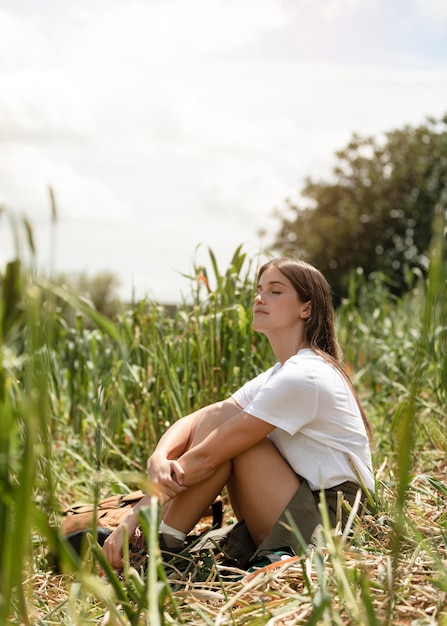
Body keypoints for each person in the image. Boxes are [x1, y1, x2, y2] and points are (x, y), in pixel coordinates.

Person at [102, 257, 374, 569]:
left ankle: (156, 545)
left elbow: (210, 455)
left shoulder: (305, 375)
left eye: (275, 291)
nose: (259, 298)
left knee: (229, 437)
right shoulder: (284, 371)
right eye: (259, 290)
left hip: (330, 521)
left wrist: (138, 511)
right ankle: (157, 543)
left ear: (306, 309)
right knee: (219, 417)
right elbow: (200, 418)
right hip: (298, 504)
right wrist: (158, 459)